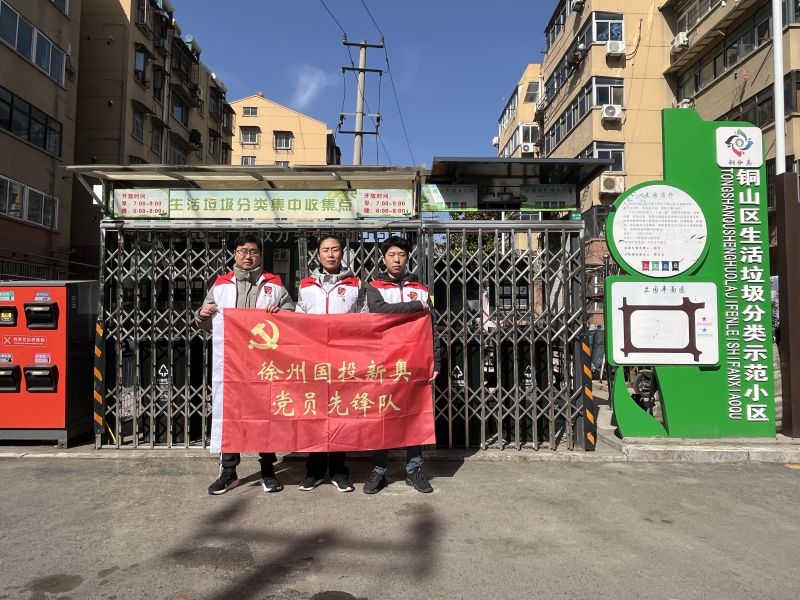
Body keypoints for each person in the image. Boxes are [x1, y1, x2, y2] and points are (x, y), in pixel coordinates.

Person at [196, 233, 295, 495]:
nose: (247, 256)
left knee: (265, 414)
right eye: (242, 251)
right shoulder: (221, 284)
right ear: (234, 254)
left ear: (260, 255)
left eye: (253, 251)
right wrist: (202, 314)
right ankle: (229, 472)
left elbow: (291, 314)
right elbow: (205, 322)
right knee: (230, 414)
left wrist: (281, 313)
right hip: (231, 363)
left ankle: (268, 470)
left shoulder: (274, 284)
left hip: (264, 363)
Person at [363, 235, 441, 494]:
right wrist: (415, 306)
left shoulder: (423, 289)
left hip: (414, 361)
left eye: (401, 255)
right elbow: (380, 311)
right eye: (392, 255)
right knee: (382, 415)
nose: (397, 259)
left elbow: (432, 325)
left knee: (414, 415)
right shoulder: (374, 287)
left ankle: (414, 470)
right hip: (383, 361)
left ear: (408, 258)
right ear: (383, 259)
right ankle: (379, 470)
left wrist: (436, 361)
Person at [295, 234, 365, 493]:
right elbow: (299, 318)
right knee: (314, 414)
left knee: (339, 414)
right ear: (318, 254)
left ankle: (338, 471)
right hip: (314, 359)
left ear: (342, 253)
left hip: (343, 359)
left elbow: (363, 317)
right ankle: (313, 471)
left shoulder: (355, 283)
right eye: (326, 250)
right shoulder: (306, 285)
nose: (331, 254)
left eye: (335, 249)